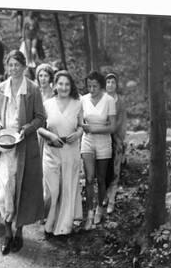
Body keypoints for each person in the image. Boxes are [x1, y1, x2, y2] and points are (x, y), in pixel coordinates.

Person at [0, 50, 46, 254]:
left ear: (24, 67)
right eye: (10, 65)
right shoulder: (0, 89)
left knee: (21, 188)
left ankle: (19, 231)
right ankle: (7, 233)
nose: (13, 69)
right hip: (4, 146)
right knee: (5, 189)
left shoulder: (32, 89)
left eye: (17, 65)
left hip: (23, 146)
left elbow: (41, 118)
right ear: (6, 67)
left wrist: (26, 129)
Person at [37, 71, 83, 239]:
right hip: (51, 151)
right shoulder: (47, 104)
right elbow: (39, 126)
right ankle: (48, 222)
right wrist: (50, 136)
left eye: (67, 84)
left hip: (70, 151)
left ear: (71, 87)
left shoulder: (77, 103)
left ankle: (63, 227)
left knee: (67, 189)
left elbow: (81, 126)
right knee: (52, 190)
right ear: (55, 85)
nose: (63, 87)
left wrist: (77, 135)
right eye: (60, 84)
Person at [80, 71, 117, 228]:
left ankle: (100, 209)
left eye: (95, 86)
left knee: (101, 179)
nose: (92, 89)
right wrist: (84, 127)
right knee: (89, 179)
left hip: (103, 143)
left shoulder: (109, 100)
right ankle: (89, 212)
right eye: (89, 86)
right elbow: (80, 122)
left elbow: (113, 126)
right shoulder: (83, 99)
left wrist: (94, 129)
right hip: (87, 141)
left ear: (101, 86)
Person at [105, 73, 127, 214]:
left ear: (116, 85)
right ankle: (104, 197)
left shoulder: (120, 102)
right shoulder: (102, 100)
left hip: (116, 139)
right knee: (103, 170)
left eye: (113, 82)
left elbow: (121, 122)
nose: (110, 85)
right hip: (102, 139)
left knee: (115, 171)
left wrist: (118, 138)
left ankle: (111, 200)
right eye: (108, 82)